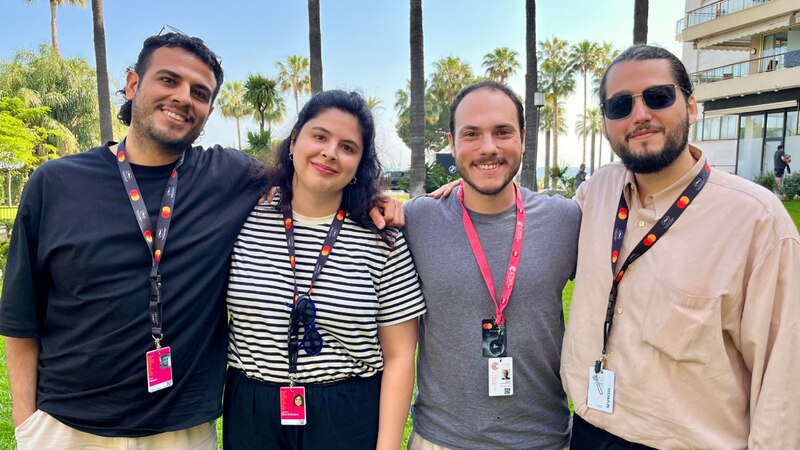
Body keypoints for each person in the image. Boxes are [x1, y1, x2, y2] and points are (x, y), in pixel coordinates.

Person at [0, 33, 399, 449]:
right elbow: (21, 317)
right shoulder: (56, 184)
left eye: (200, 92)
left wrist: (377, 199)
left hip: (182, 429)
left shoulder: (228, 176)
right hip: (68, 427)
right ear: (133, 84)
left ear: (208, 110)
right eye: (168, 80)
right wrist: (26, 422)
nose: (182, 98)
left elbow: (311, 179)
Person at [561, 45, 800, 449]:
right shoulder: (594, 193)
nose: (639, 115)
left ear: (691, 107)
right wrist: (465, 193)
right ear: (605, 122)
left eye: (658, 97)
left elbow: (783, 373)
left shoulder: (756, 219)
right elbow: (526, 231)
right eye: (620, 105)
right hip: (586, 431)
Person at [222, 90, 425, 450]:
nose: (330, 152)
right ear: (294, 140)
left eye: (348, 147)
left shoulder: (381, 238)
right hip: (252, 408)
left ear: (358, 165)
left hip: (345, 413)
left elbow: (398, 356)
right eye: (320, 136)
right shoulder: (245, 215)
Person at [403, 80, 580, 449]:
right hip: (441, 439)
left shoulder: (567, 220)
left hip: (542, 439)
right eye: (471, 134)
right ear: (451, 143)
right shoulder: (417, 220)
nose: (488, 147)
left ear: (523, 138)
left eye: (502, 132)